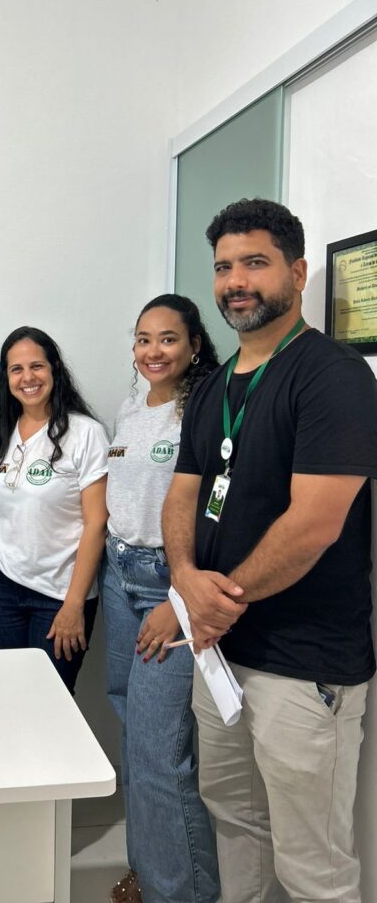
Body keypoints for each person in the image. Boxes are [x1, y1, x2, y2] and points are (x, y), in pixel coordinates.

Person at [163, 199, 377, 903]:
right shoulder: (213, 387)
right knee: (237, 826)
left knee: (314, 870)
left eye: (255, 263)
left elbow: (314, 523)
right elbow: (183, 495)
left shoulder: (334, 376)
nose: (235, 281)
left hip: (302, 664)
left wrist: (217, 602)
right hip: (221, 655)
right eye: (224, 266)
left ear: (299, 272)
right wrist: (185, 579)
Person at [101, 294, 220, 903]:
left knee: (159, 749)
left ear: (194, 345)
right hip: (119, 573)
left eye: (168, 339)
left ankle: (182, 892)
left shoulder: (204, 409)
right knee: (132, 730)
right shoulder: (133, 406)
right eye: (143, 338)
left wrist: (180, 594)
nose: (153, 351)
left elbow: (217, 510)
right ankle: (147, 874)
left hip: (167, 584)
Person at [0, 326, 108, 693]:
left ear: (54, 369)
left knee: (50, 702)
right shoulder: (1, 429)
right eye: (16, 369)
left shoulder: (85, 433)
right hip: (2, 584)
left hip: (59, 594)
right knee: (9, 694)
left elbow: (97, 523)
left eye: (36, 366)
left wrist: (74, 604)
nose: (27, 378)